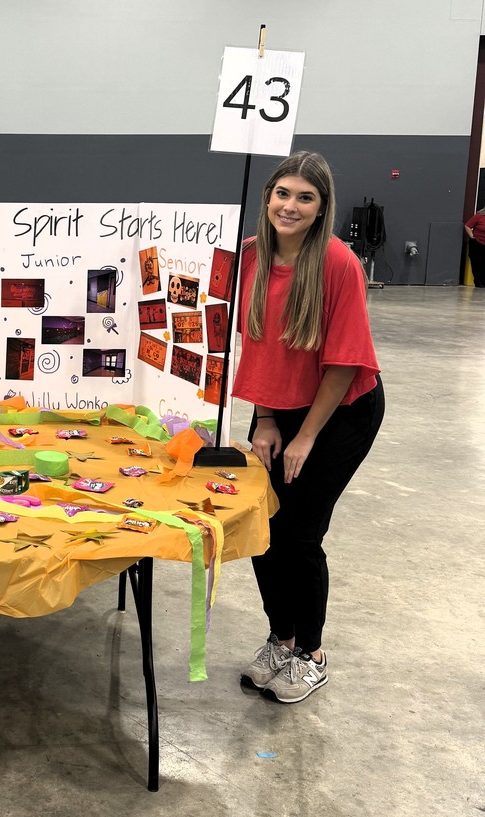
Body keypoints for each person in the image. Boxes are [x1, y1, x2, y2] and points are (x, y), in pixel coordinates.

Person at [232, 151, 385, 704]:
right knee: (262, 527)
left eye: (305, 197)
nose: (290, 206)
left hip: (339, 409)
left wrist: (305, 436)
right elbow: (255, 344)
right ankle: (280, 637)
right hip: (278, 401)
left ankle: (310, 654)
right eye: (282, 193)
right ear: (267, 196)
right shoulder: (249, 258)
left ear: (322, 209)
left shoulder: (338, 265)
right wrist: (267, 419)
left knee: (300, 533)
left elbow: (344, 363)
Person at [463, 207, 485, 287]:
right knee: (477, 263)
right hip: (477, 243)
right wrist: (472, 236)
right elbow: (467, 226)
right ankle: (479, 282)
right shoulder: (479, 216)